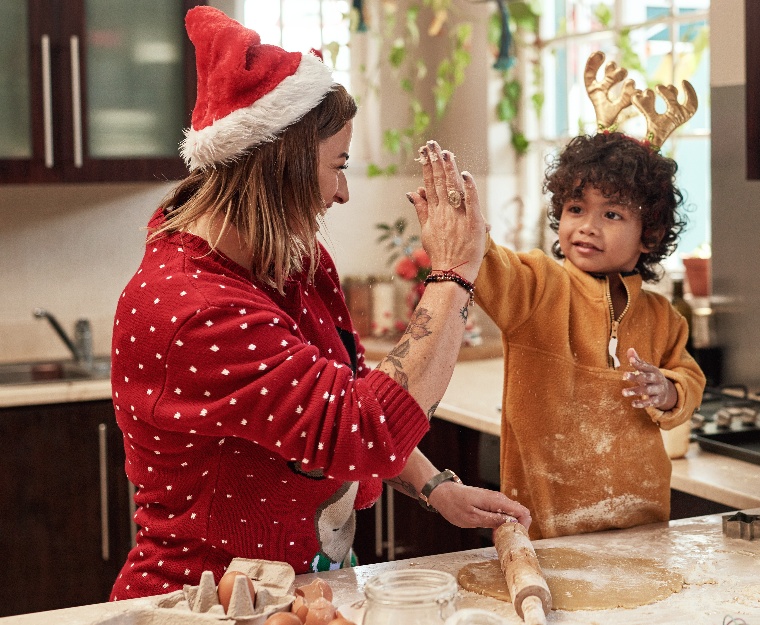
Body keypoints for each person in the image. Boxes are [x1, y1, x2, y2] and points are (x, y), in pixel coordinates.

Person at [110, 7, 527, 601]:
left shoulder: (292, 262)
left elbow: (347, 392)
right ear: (280, 165)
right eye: (337, 166)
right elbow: (364, 428)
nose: (342, 192)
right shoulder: (191, 307)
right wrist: (454, 272)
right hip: (205, 606)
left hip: (306, 593)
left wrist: (437, 487)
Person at [409, 84, 705, 539]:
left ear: (650, 234)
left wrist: (666, 390)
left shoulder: (664, 317)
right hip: (547, 527)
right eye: (575, 208)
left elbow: (689, 381)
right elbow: (490, 265)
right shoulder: (537, 285)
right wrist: (466, 234)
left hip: (642, 526)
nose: (586, 226)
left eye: (612, 215)